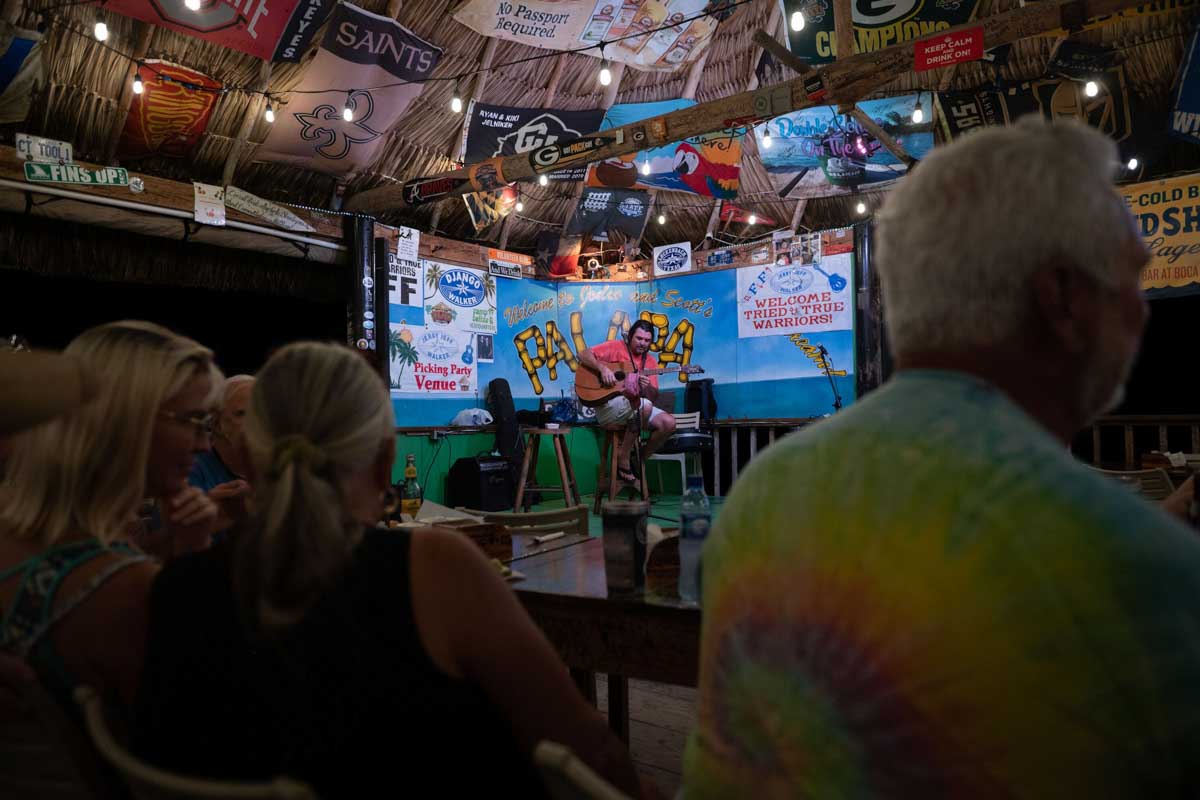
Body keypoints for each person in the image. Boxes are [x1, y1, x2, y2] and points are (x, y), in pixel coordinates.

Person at [684, 116, 1200, 797]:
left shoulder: (760, 496)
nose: (1140, 314)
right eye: (1129, 280)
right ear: (1061, 297)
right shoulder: (1146, 574)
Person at [133, 342, 644, 798]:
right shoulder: (437, 570)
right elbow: (592, 753)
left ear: (245, 454)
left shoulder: (173, 587)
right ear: (386, 460)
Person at [1, 321, 222, 711]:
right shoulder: (128, 588)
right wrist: (194, 564)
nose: (205, 444)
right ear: (126, 421)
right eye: (193, 421)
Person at [577, 319, 676, 484]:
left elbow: (652, 397)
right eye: (639, 338)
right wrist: (602, 369)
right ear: (630, 337)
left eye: (647, 340)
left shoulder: (650, 362)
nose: (642, 343)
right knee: (645, 406)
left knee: (669, 423)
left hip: (635, 408)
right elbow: (582, 355)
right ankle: (623, 458)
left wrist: (645, 387)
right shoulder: (615, 347)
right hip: (608, 407)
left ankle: (637, 459)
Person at [189, 373, 254, 529]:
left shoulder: (275, 466)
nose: (255, 424)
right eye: (241, 413)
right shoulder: (190, 468)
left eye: (260, 414)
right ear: (215, 422)